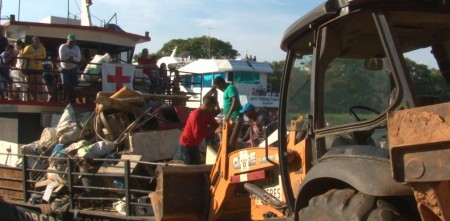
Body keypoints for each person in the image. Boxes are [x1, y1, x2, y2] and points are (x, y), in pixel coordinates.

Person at [174, 95, 220, 164]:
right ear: (206, 105)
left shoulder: (207, 113)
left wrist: (222, 126)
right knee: (191, 168)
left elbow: (215, 125)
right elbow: (198, 134)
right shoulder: (196, 115)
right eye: (212, 107)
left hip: (194, 145)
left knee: (197, 165)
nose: (213, 109)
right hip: (187, 145)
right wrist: (213, 132)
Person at [22, 36, 46, 101]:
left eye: (38, 41)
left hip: (39, 68)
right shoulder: (28, 47)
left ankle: (39, 97)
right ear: (33, 42)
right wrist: (32, 56)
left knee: (39, 82)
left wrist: (38, 57)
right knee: (31, 82)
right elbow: (23, 55)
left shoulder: (42, 48)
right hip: (30, 68)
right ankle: (33, 96)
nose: (38, 43)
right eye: (36, 41)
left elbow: (44, 57)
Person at [59, 34, 81, 102]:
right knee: (65, 83)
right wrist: (73, 59)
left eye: (73, 42)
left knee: (74, 84)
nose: (72, 43)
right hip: (64, 68)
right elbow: (62, 58)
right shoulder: (63, 47)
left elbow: (79, 59)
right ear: (67, 41)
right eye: (70, 41)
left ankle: (72, 98)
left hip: (73, 68)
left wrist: (71, 58)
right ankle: (66, 97)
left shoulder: (77, 48)